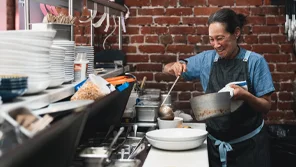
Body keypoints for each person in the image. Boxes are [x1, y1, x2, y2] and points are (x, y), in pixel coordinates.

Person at [163, 8, 274, 167]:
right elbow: (167, 67)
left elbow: (266, 106)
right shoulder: (206, 60)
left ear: (236, 33)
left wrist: (245, 95)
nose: (215, 45)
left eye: (220, 38)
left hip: (250, 149)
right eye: (211, 39)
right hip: (214, 147)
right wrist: (173, 66)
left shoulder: (256, 62)